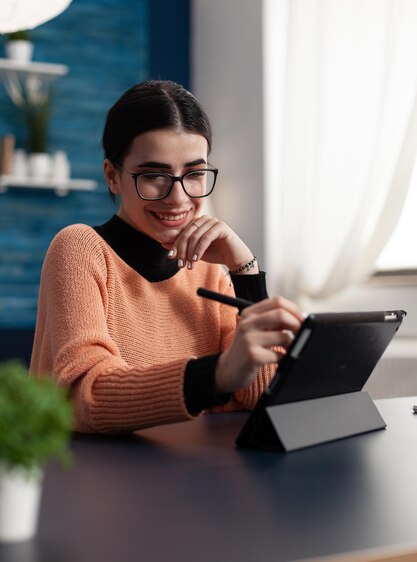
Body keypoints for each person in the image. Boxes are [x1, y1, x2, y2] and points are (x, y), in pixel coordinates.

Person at [29, 80, 303, 434]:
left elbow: (259, 396)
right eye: (155, 176)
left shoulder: (212, 272)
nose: (178, 198)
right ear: (113, 176)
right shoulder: (80, 248)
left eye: (194, 174)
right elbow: (88, 395)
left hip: (191, 474)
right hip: (93, 479)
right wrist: (217, 376)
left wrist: (245, 269)